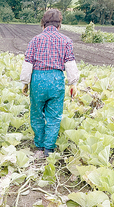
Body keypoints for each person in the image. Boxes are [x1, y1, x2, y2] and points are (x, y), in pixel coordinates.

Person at [20, 8, 79, 158]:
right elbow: (70, 63)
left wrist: (25, 82)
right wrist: (73, 83)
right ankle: (49, 150)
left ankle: (39, 147)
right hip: (56, 81)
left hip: (38, 81)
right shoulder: (66, 40)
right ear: (59, 25)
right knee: (54, 116)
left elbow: (28, 63)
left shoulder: (35, 40)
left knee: (36, 114)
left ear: (43, 24)